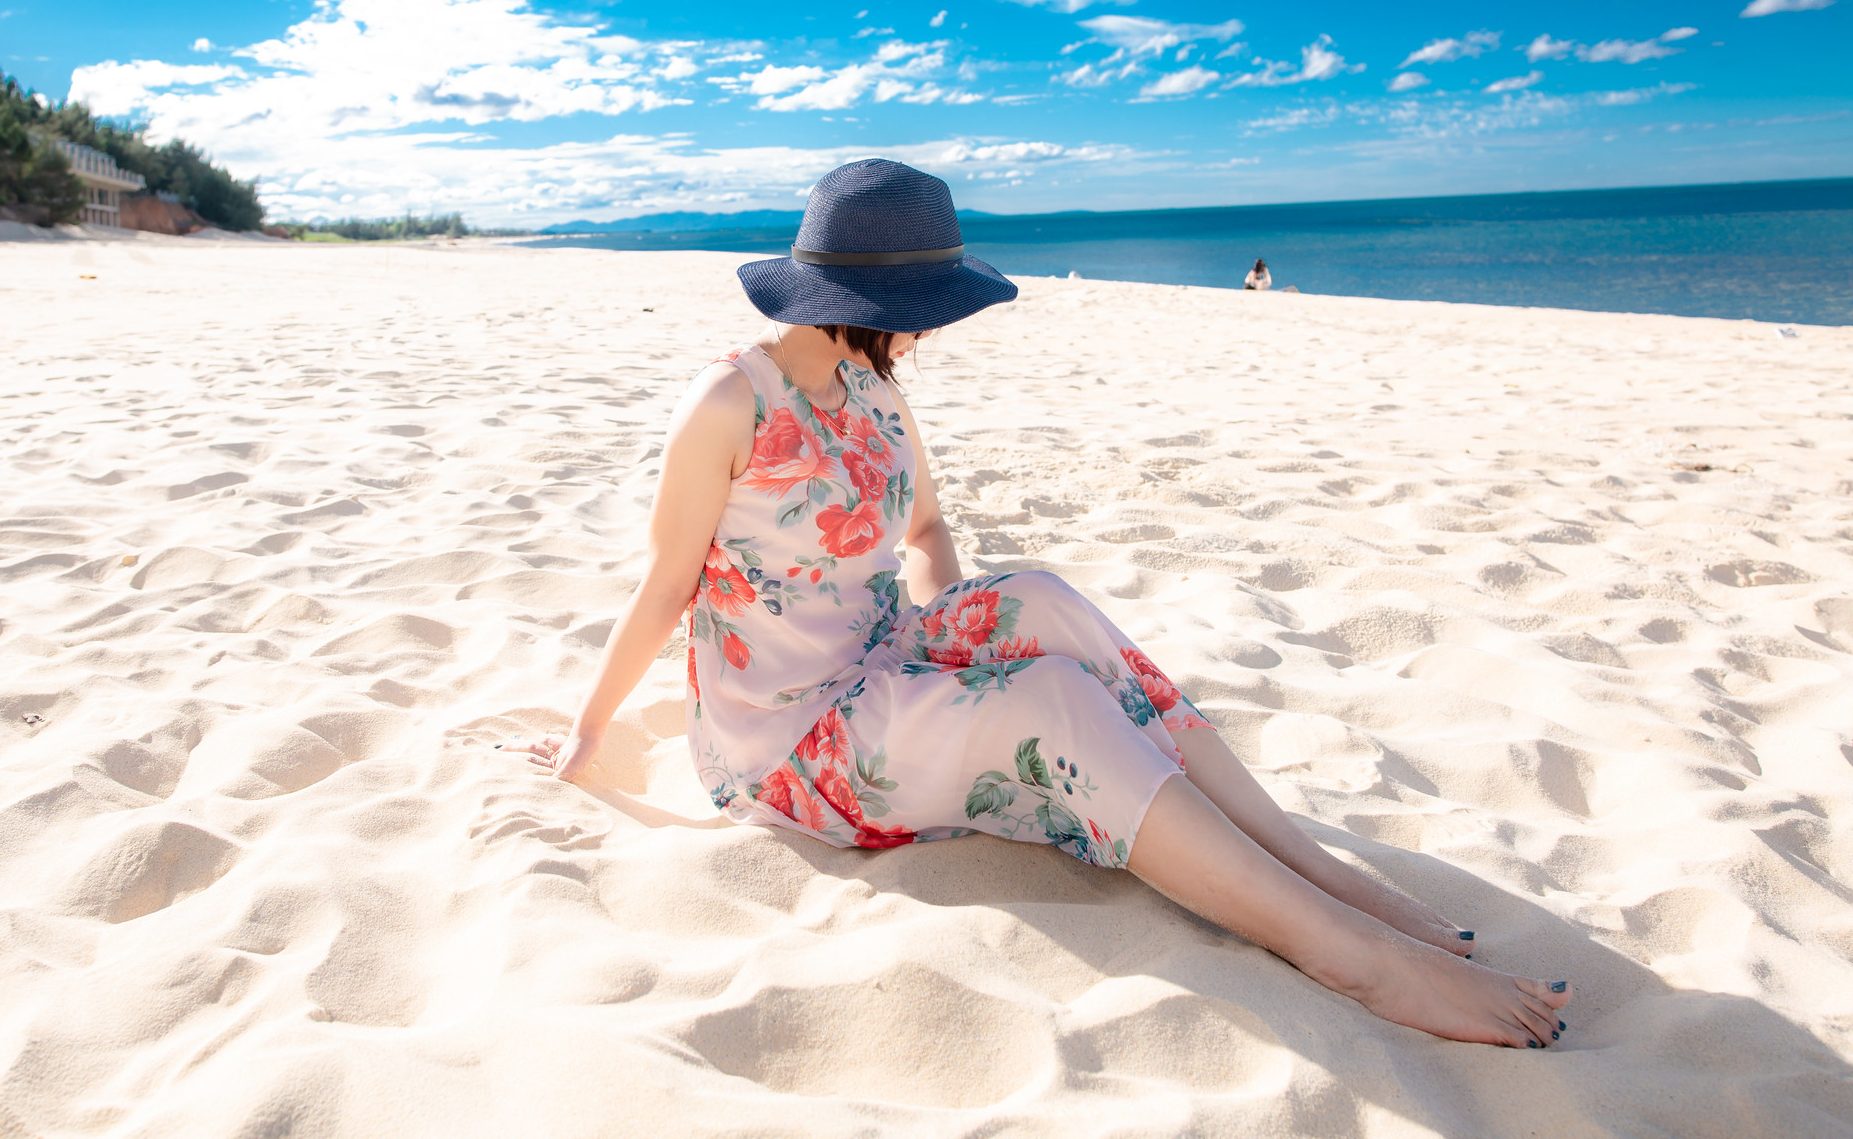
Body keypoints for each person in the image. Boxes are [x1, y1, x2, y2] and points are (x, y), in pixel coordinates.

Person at [505, 159, 1573, 1049]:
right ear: (863, 307)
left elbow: (923, 536)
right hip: (789, 743)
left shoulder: (873, 387)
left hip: (884, 662)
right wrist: (587, 730)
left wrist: (963, 643)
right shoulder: (729, 400)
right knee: (1050, 703)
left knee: (1040, 603)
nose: (929, 334)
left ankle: (1311, 866)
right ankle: (1356, 957)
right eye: (920, 313)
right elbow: (663, 584)